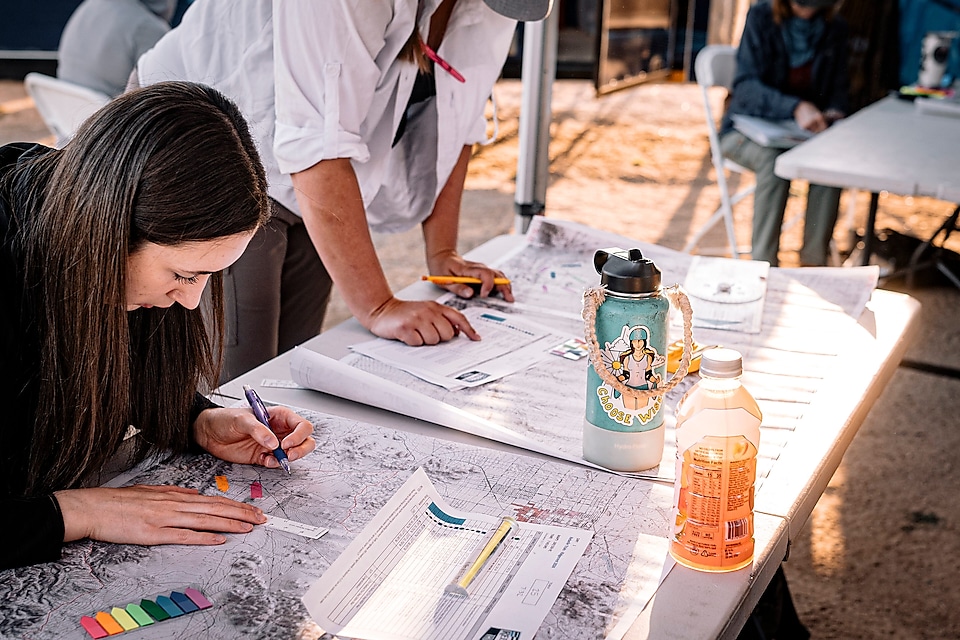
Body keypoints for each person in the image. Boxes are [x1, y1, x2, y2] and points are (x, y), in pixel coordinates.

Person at [135, 0, 553, 381]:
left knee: (290, 373)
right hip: (208, 155)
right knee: (240, 383)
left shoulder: (491, 8)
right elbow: (317, 147)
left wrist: (443, 253)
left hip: (312, 172)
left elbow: (459, 118)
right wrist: (378, 306)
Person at [0, 81, 316, 570]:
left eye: (211, 277)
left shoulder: (94, 241)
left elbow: (113, 369)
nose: (191, 302)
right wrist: (75, 511)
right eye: (183, 275)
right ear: (109, 230)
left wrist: (197, 419)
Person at [719, 0, 849, 266]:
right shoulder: (761, 17)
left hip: (801, 136)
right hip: (745, 132)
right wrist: (795, 107)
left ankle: (814, 267)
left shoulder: (834, 29)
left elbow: (840, 89)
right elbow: (745, 88)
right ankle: (764, 268)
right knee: (775, 161)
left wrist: (834, 111)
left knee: (828, 166)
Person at [57, 0, 178, 97]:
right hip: (110, 119)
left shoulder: (91, 5)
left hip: (68, 110)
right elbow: (161, 99)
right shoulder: (149, 27)